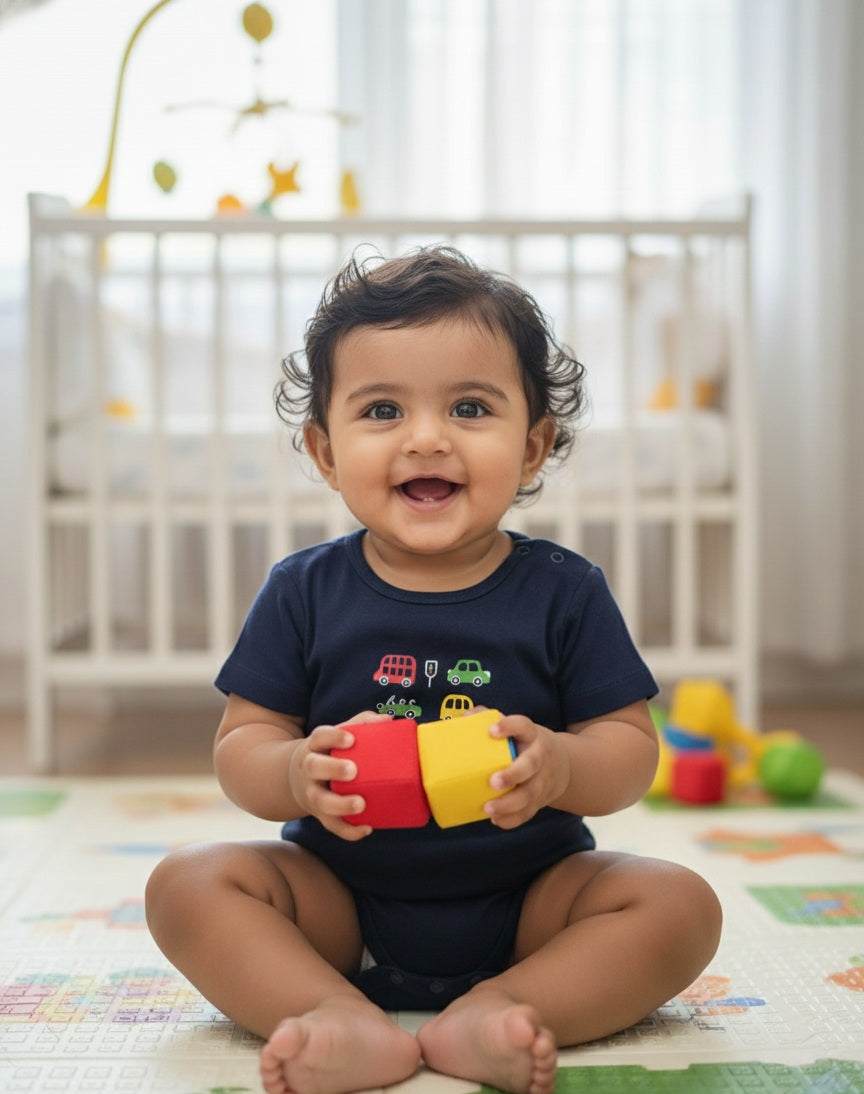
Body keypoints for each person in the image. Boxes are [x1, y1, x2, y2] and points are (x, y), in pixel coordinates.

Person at [145, 246, 722, 1094]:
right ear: (325, 450)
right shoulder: (303, 590)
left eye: (469, 407)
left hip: (534, 905)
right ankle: (329, 1011)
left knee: (681, 904)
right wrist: (298, 774)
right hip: (337, 907)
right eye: (381, 409)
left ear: (532, 449)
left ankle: (505, 1008)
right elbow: (243, 747)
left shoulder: (565, 591)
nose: (426, 438)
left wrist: (561, 763)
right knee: (186, 883)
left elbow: (630, 750)